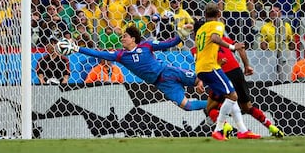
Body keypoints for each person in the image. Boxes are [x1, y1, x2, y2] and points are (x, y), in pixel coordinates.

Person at [65, 25, 208, 112]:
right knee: (187, 106)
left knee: (204, 79)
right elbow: (98, 53)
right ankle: (217, 105)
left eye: (125, 36)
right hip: (163, 83)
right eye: (122, 37)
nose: (122, 39)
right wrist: (77, 48)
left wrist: (181, 35)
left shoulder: (147, 46)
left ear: (133, 39)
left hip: (168, 71)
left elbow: (168, 43)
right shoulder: (120, 55)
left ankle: (225, 98)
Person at [192, 18, 284, 138]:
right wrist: (247, 66)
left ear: (195, 33)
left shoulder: (197, 47)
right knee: (246, 106)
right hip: (237, 72)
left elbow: (204, 64)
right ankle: (271, 127)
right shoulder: (223, 39)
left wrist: (200, 82)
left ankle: (223, 126)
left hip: (221, 73)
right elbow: (239, 47)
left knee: (211, 108)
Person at [195, 2, 261, 140]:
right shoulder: (217, 25)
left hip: (202, 67)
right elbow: (214, 38)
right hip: (210, 67)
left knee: (232, 97)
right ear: (219, 14)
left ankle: (242, 130)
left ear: (205, 15)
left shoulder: (201, 30)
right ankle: (218, 130)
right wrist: (232, 47)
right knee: (233, 97)